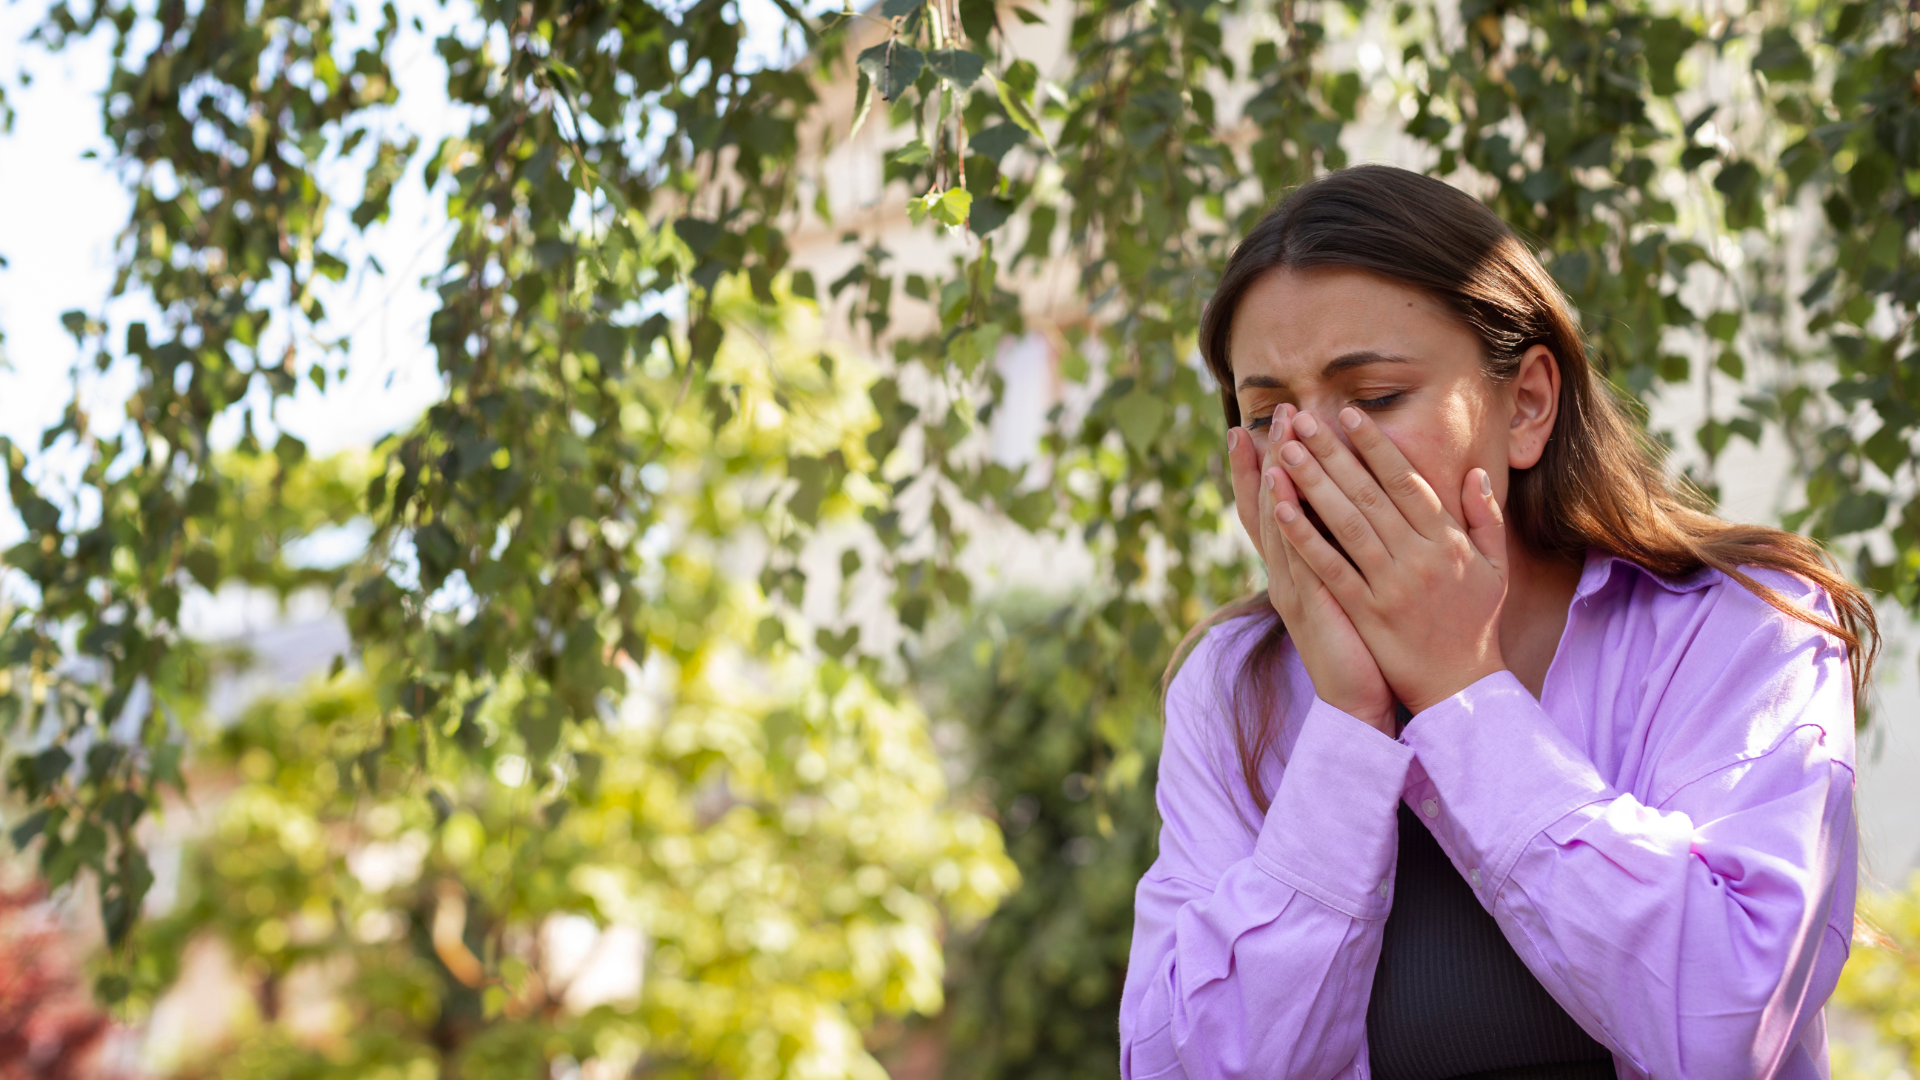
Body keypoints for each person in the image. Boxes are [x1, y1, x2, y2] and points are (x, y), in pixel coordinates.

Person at [1118, 165, 1877, 1080]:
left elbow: (1729, 1023)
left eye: (1375, 398)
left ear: (1526, 405)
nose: (1311, 452)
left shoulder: (1748, 627)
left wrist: (1461, 693)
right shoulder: (1234, 688)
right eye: (1268, 414)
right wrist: (1350, 731)